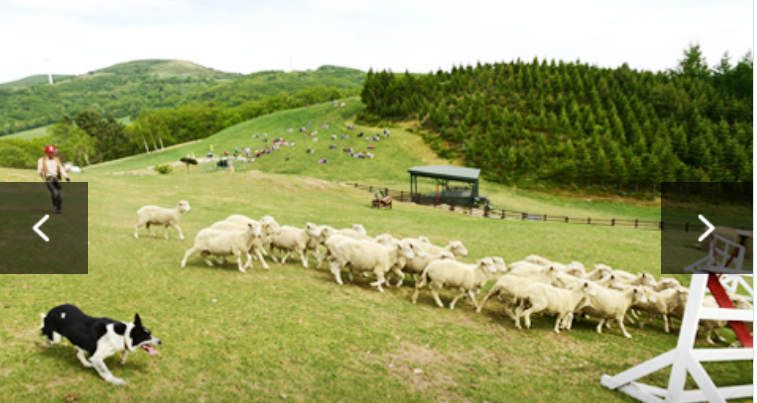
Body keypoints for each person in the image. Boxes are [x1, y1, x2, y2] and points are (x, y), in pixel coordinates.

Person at [37, 145, 70, 214]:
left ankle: (59, 208)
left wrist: (66, 177)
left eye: (52, 152)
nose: (52, 154)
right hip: (48, 178)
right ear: (46, 153)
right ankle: (54, 206)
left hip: (56, 178)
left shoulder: (56, 160)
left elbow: (61, 169)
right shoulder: (42, 160)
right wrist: (41, 173)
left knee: (60, 193)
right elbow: (39, 170)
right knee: (55, 192)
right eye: (50, 152)